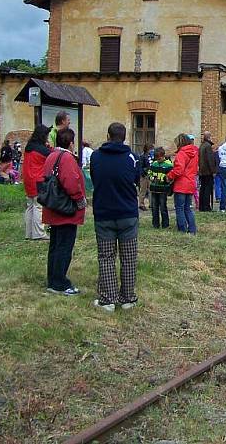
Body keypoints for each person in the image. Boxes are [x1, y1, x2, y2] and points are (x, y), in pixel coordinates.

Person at [90, 122, 141, 312]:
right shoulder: (132, 158)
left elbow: (95, 179)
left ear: (108, 135)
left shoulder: (96, 157)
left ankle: (108, 299)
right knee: (128, 257)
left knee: (106, 257)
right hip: (127, 212)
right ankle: (128, 298)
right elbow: (136, 179)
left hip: (104, 212)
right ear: (125, 136)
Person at [41, 127, 86, 295]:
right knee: (64, 247)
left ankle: (52, 278)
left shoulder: (51, 156)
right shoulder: (66, 158)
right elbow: (71, 182)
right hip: (65, 209)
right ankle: (59, 282)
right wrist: (80, 200)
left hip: (53, 207)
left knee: (55, 245)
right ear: (71, 143)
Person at [22, 124, 52, 240]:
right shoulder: (43, 150)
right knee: (38, 207)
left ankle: (29, 233)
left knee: (30, 206)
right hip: (38, 180)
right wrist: (49, 147)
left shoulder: (29, 146)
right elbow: (51, 155)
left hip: (28, 179)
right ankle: (39, 233)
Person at [167, 133, 199, 234]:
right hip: (190, 183)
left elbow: (179, 170)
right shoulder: (194, 152)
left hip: (181, 184)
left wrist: (169, 176)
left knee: (179, 208)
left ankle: (182, 229)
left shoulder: (182, 153)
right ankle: (192, 229)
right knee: (188, 208)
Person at [148, 147, 173, 228]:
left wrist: (165, 179)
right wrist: (151, 177)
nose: (158, 160)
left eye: (160, 158)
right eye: (157, 158)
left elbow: (171, 177)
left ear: (163, 156)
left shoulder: (168, 165)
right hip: (154, 189)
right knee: (154, 208)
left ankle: (165, 224)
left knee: (163, 207)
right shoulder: (154, 164)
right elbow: (150, 173)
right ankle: (155, 224)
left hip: (163, 190)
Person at [198, 132, 217, 211]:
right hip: (207, 171)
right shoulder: (208, 146)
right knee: (207, 189)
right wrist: (213, 171)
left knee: (202, 189)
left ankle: (202, 206)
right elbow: (210, 160)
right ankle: (206, 206)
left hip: (202, 171)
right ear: (209, 137)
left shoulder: (202, 145)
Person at [137, 143, 151, 210]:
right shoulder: (142, 156)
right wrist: (143, 173)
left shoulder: (150, 156)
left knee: (151, 189)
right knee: (143, 190)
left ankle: (152, 204)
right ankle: (141, 204)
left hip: (150, 174)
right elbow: (140, 166)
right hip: (144, 175)